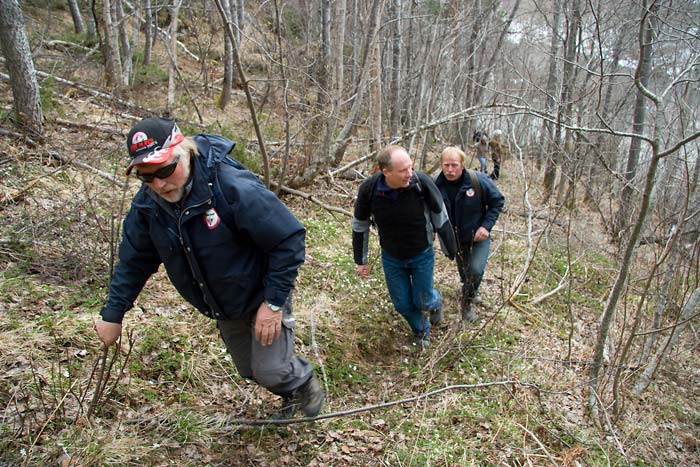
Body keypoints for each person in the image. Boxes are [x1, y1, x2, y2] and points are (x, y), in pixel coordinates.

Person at [95, 117, 325, 418]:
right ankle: (290, 392)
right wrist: (113, 313)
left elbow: (288, 238)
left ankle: (303, 382)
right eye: (146, 177)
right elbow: (134, 260)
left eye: (165, 170)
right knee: (248, 369)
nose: (159, 184)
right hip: (222, 302)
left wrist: (273, 303)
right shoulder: (148, 207)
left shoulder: (230, 186)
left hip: (262, 290)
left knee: (271, 369)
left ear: (185, 151)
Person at [352, 145, 456, 349]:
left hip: (421, 253)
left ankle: (435, 301)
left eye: (411, 167)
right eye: (403, 170)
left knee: (423, 300)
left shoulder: (421, 182)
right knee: (402, 304)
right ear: (385, 172)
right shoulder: (369, 190)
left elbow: (440, 215)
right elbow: (360, 225)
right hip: (392, 256)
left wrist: (449, 247)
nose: (410, 173)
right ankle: (421, 330)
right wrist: (360, 260)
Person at [435, 146, 505, 323]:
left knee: (475, 269)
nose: (450, 170)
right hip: (455, 240)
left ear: (463, 164)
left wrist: (486, 227)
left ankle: (467, 304)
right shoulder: (436, 185)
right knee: (465, 273)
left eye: (454, 165)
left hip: (478, 237)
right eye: (446, 165)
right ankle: (471, 290)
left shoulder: (477, 180)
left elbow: (497, 201)